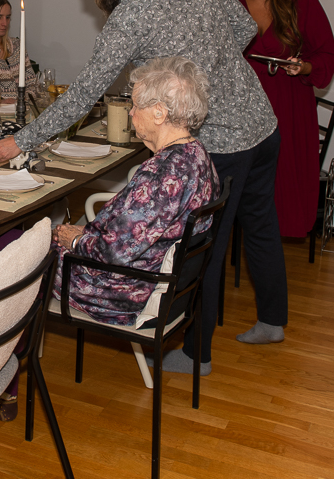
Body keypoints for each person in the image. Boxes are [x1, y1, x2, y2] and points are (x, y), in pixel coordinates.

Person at [0, 0, 286, 372]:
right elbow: (244, 28)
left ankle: (196, 354)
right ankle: (273, 320)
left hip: (222, 138)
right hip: (263, 123)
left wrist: (20, 141)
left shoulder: (129, 17)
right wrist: (206, 60)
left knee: (203, 246)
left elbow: (84, 92)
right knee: (261, 226)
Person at [51, 57, 219, 326]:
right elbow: (134, 232)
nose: (130, 113)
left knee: (21, 254)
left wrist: (75, 241)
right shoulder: (198, 155)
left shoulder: (165, 175)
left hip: (121, 290)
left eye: (135, 105)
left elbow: (114, 253)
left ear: (159, 113)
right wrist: (87, 233)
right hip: (142, 274)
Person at [230, 0, 334, 237]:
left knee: (282, 188)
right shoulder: (227, 2)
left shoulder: (301, 3)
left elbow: (328, 53)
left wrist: (304, 66)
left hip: (288, 108)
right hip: (238, 111)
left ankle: (270, 245)